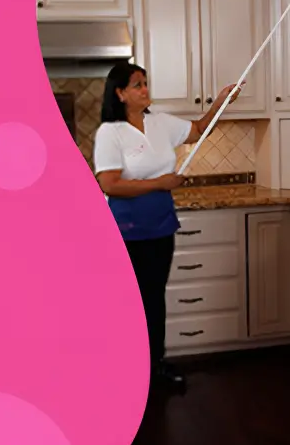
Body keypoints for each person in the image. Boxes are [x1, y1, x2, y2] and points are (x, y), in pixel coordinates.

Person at [93, 63, 239, 393]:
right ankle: (125, 369)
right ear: (120, 94)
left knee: (154, 297)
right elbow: (110, 184)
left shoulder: (160, 123)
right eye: (137, 85)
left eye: (145, 83)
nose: (145, 90)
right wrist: (161, 182)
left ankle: (155, 365)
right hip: (126, 230)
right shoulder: (110, 133)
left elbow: (200, 130)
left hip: (160, 225)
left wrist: (220, 103)